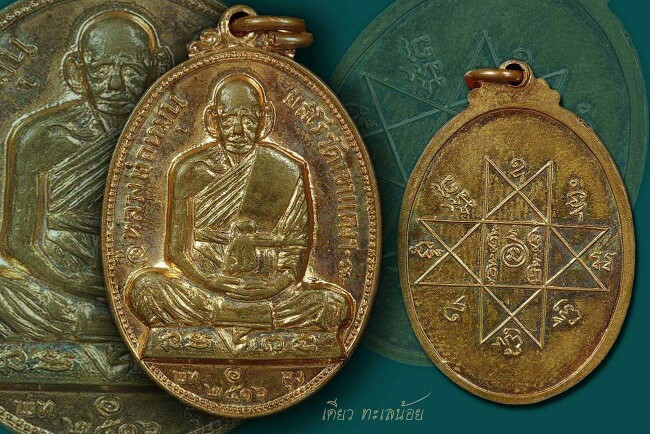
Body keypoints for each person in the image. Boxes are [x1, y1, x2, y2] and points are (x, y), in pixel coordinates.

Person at [127, 72, 353, 338]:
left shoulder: (286, 170)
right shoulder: (190, 169)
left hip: (269, 293)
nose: (237, 130)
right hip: (205, 289)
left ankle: (223, 322)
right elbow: (176, 252)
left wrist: (271, 287)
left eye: (247, 119)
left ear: (264, 120)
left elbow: (295, 251)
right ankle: (254, 323)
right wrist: (214, 282)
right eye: (228, 119)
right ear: (213, 121)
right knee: (146, 289)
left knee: (333, 305)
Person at [0, 9, 172, 341]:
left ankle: (108, 326)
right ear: (78, 71)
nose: (116, 84)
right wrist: (73, 281)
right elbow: (18, 243)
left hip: (135, 281)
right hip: (56, 279)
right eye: (102, 69)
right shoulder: (45, 136)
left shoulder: (170, 141)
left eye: (131, 70)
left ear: (157, 68)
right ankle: (116, 329)